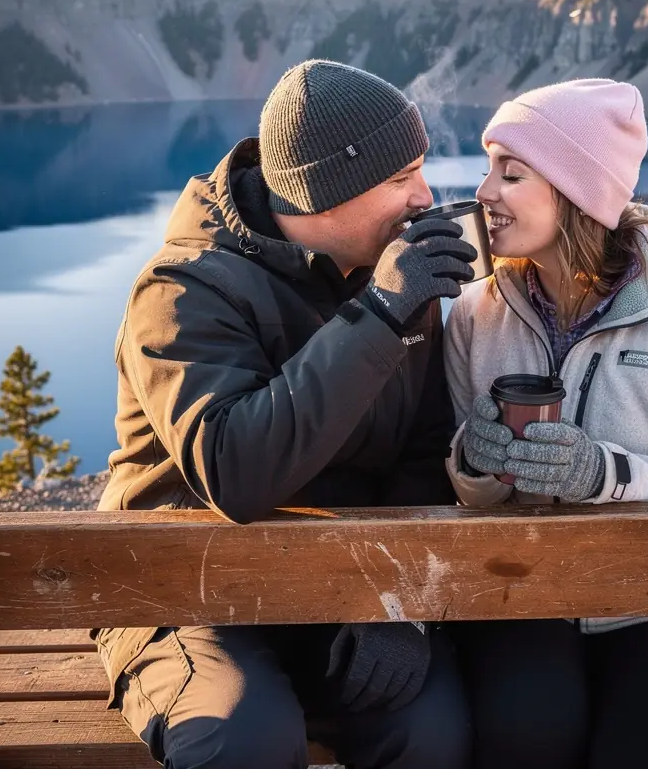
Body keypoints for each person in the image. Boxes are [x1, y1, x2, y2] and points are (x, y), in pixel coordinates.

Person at [92, 60, 477, 769]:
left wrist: (398, 602)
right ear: (320, 195)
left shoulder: (393, 276)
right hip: (187, 585)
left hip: (337, 579)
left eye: (420, 169)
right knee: (242, 737)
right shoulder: (181, 291)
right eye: (400, 179)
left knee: (430, 729)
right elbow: (235, 471)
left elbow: (426, 452)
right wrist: (381, 316)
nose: (425, 196)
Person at [444, 78, 648, 769]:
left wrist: (608, 474)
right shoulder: (475, 316)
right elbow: (463, 494)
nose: (484, 192)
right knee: (523, 738)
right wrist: (472, 466)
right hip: (529, 591)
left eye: (511, 172)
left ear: (575, 190)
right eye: (486, 168)